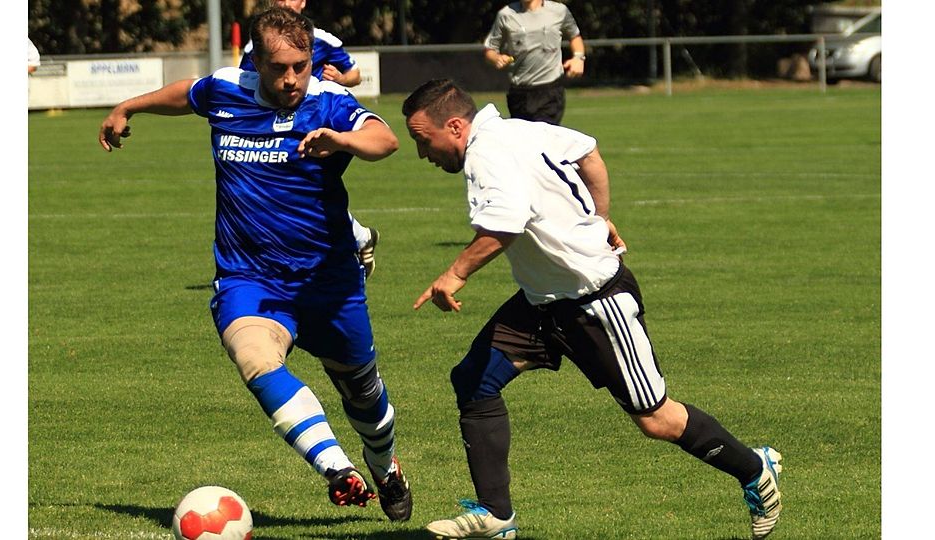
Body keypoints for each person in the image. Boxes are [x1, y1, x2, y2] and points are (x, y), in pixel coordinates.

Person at [402, 79, 782, 540]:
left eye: (424, 141)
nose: (424, 153)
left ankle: (755, 468)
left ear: (456, 126)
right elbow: (589, 153)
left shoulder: (486, 154)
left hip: (595, 302)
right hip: (541, 303)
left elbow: (505, 224)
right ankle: (495, 516)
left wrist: (455, 273)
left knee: (657, 420)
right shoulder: (522, 129)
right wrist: (600, 217)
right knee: (474, 380)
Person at [97, 8, 411, 522]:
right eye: (278, 68)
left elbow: (385, 139)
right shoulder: (228, 90)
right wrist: (129, 106)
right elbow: (187, 94)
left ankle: (385, 467)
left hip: (327, 280)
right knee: (255, 358)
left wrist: (342, 140)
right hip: (249, 276)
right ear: (257, 63)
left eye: (301, 66)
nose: (291, 79)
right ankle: (336, 468)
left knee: (366, 401)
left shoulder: (328, 102)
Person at [241, 0, 380, 277]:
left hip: (320, 122)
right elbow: (248, 83)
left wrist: (340, 79)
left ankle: (347, 247)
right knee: (296, 193)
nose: (284, 2)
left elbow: (354, 75)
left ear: (303, 3)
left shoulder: (323, 39)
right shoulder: (256, 45)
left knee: (307, 191)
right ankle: (359, 237)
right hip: (274, 124)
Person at [483, 0, 586, 126]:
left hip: (549, 90)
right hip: (519, 93)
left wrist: (578, 58)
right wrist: (496, 58)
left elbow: (575, 36)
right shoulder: (506, 15)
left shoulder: (559, 11)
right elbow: (490, 50)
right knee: (524, 142)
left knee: (543, 138)